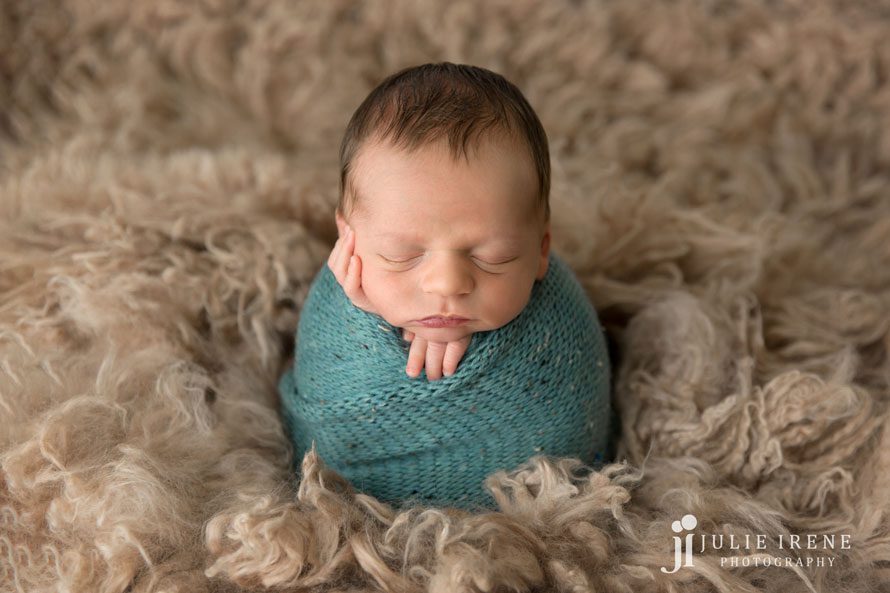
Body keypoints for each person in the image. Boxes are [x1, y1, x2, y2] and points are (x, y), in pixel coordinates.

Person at [279, 63, 612, 509]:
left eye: (492, 256)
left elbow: (574, 416)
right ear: (348, 241)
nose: (447, 283)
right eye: (402, 255)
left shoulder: (558, 325)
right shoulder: (337, 320)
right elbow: (331, 420)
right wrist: (366, 309)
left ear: (542, 249)